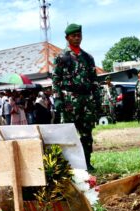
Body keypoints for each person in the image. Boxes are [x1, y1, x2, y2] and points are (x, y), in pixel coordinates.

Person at [52, 23, 101, 171]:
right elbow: (56, 80)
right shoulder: (61, 57)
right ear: (67, 38)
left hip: (86, 100)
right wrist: (58, 99)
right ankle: (69, 163)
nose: (77, 38)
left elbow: (94, 80)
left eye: (79, 35)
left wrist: (97, 98)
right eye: (74, 36)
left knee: (86, 133)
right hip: (69, 101)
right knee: (68, 133)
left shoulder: (88, 58)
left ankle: (86, 162)